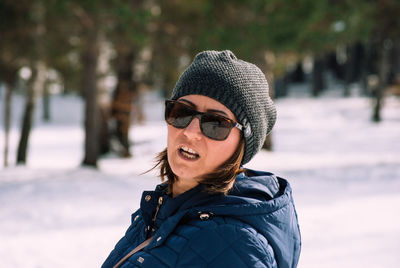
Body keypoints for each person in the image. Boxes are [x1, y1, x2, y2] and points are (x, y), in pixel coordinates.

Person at [102, 50, 301, 268]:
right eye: (182, 112)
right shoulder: (160, 213)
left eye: (216, 123)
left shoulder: (235, 244)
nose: (190, 131)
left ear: (243, 143)